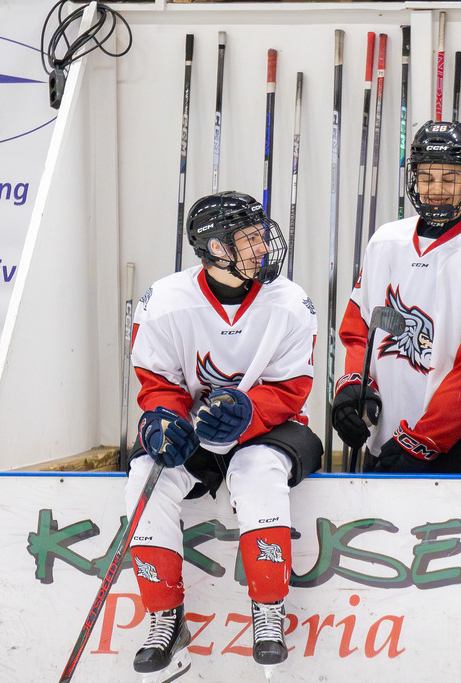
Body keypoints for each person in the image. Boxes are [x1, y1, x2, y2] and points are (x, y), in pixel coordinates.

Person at [124, 191, 322, 680]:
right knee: (145, 475)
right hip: (196, 428)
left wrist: (249, 411)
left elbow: (294, 387)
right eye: (247, 239)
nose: (261, 247)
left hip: (270, 430)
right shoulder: (166, 301)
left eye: (260, 234)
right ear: (215, 248)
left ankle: (268, 611)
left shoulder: (290, 302)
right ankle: (164, 617)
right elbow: (158, 382)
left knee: (257, 472)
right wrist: (163, 418)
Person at [332, 120, 461, 474]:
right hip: (384, 437)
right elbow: (359, 331)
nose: (436, 190)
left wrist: (425, 438)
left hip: (455, 444)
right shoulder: (385, 241)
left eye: (449, 178)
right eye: (427, 177)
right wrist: (353, 388)